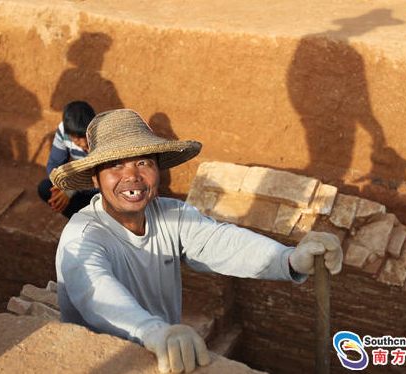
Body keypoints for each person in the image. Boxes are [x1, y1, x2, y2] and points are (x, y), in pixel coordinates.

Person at [50, 109, 343, 373]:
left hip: (163, 355)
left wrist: (288, 259)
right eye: (116, 166)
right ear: (95, 178)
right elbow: (96, 293)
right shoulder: (83, 237)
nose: (132, 176)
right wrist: (155, 332)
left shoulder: (170, 215)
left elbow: (222, 242)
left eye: (143, 162)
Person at [37, 101, 98, 218]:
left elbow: (104, 179)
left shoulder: (104, 133)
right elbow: (55, 164)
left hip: (104, 193)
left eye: (86, 136)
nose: (84, 143)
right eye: (77, 139)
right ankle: (87, 221)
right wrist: (59, 187)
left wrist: (70, 190)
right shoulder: (63, 131)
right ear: (69, 134)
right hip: (81, 188)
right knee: (46, 189)